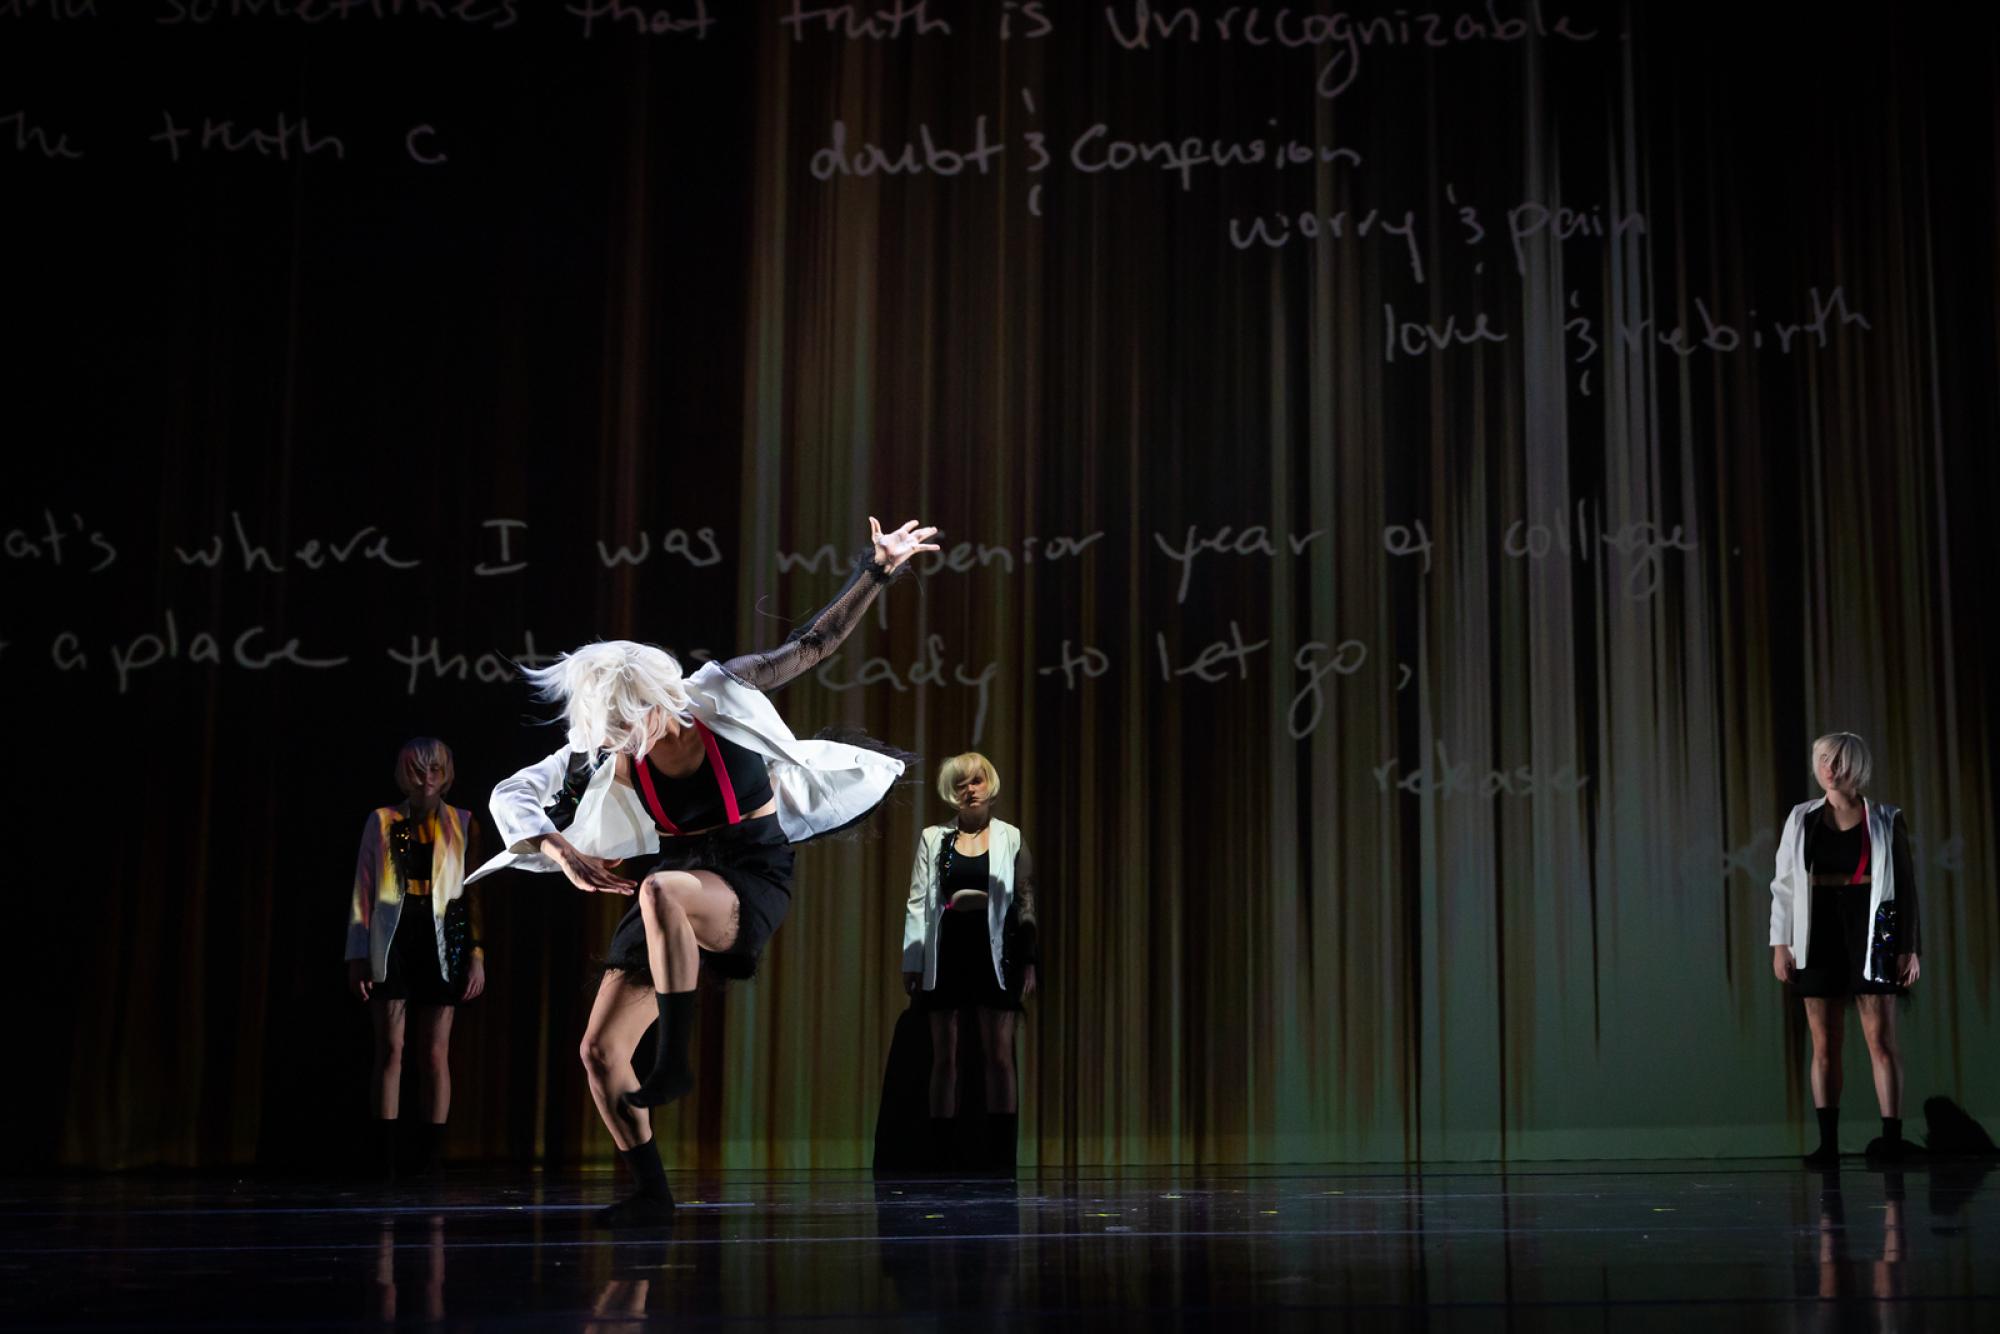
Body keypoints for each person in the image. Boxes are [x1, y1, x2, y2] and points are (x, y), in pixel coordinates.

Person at [470, 517, 938, 1225]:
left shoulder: (718, 693)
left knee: (661, 889)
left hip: (749, 872)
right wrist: (561, 854)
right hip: (676, 884)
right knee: (598, 1052)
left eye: (635, 725)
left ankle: (677, 1059)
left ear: (661, 703)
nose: (626, 742)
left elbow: (812, 644)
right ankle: (652, 1193)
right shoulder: (602, 746)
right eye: (614, 732)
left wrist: (876, 569)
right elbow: (513, 794)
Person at [1770, 731, 1921, 1167]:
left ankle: (1891, 1138)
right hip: (1816, 926)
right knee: (1824, 1042)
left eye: (1836, 760)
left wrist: (1908, 946)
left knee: (1881, 1039)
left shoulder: (1886, 818)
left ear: (1855, 766)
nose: (1828, 768)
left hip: (1873, 922)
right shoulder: (1801, 817)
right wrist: (1781, 943)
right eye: (1822, 760)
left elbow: (1906, 888)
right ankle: (1828, 1144)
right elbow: (1782, 885)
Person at [346, 737, 487, 1178]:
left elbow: (473, 893)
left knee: (435, 1052)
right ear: (402, 774)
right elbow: (363, 891)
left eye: (434, 770)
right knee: (391, 1048)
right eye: (416, 770)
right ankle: (384, 1158)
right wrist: (356, 955)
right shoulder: (383, 821)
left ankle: (429, 1159)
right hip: (392, 938)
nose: (425, 779)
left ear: (446, 776)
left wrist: (478, 954)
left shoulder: (464, 822)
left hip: (443, 937)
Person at [902, 752, 1038, 1171]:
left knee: (999, 1054)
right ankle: (943, 1154)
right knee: (945, 1055)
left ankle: (1001, 1157)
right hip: (949, 951)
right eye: (961, 783)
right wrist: (913, 958)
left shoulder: (1010, 837)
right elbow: (918, 899)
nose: (969, 788)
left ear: (990, 785)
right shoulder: (934, 837)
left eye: (976, 780)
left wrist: (1029, 960)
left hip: (994, 952)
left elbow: (1025, 901)